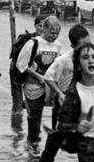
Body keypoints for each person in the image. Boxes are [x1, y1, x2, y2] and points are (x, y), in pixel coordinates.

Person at [37, 24, 90, 162]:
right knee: (57, 137)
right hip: (64, 104)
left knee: (85, 139)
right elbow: (48, 77)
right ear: (73, 46)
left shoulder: (91, 59)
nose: (87, 48)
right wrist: (59, 93)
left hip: (83, 104)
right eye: (83, 45)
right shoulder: (64, 60)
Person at [14, 15, 64, 151]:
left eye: (57, 33)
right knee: (34, 115)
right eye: (52, 32)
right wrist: (37, 76)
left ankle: (54, 140)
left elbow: (59, 65)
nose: (54, 36)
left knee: (57, 112)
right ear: (44, 29)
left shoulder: (58, 46)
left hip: (50, 86)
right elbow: (21, 65)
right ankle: (33, 140)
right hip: (33, 86)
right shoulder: (33, 43)